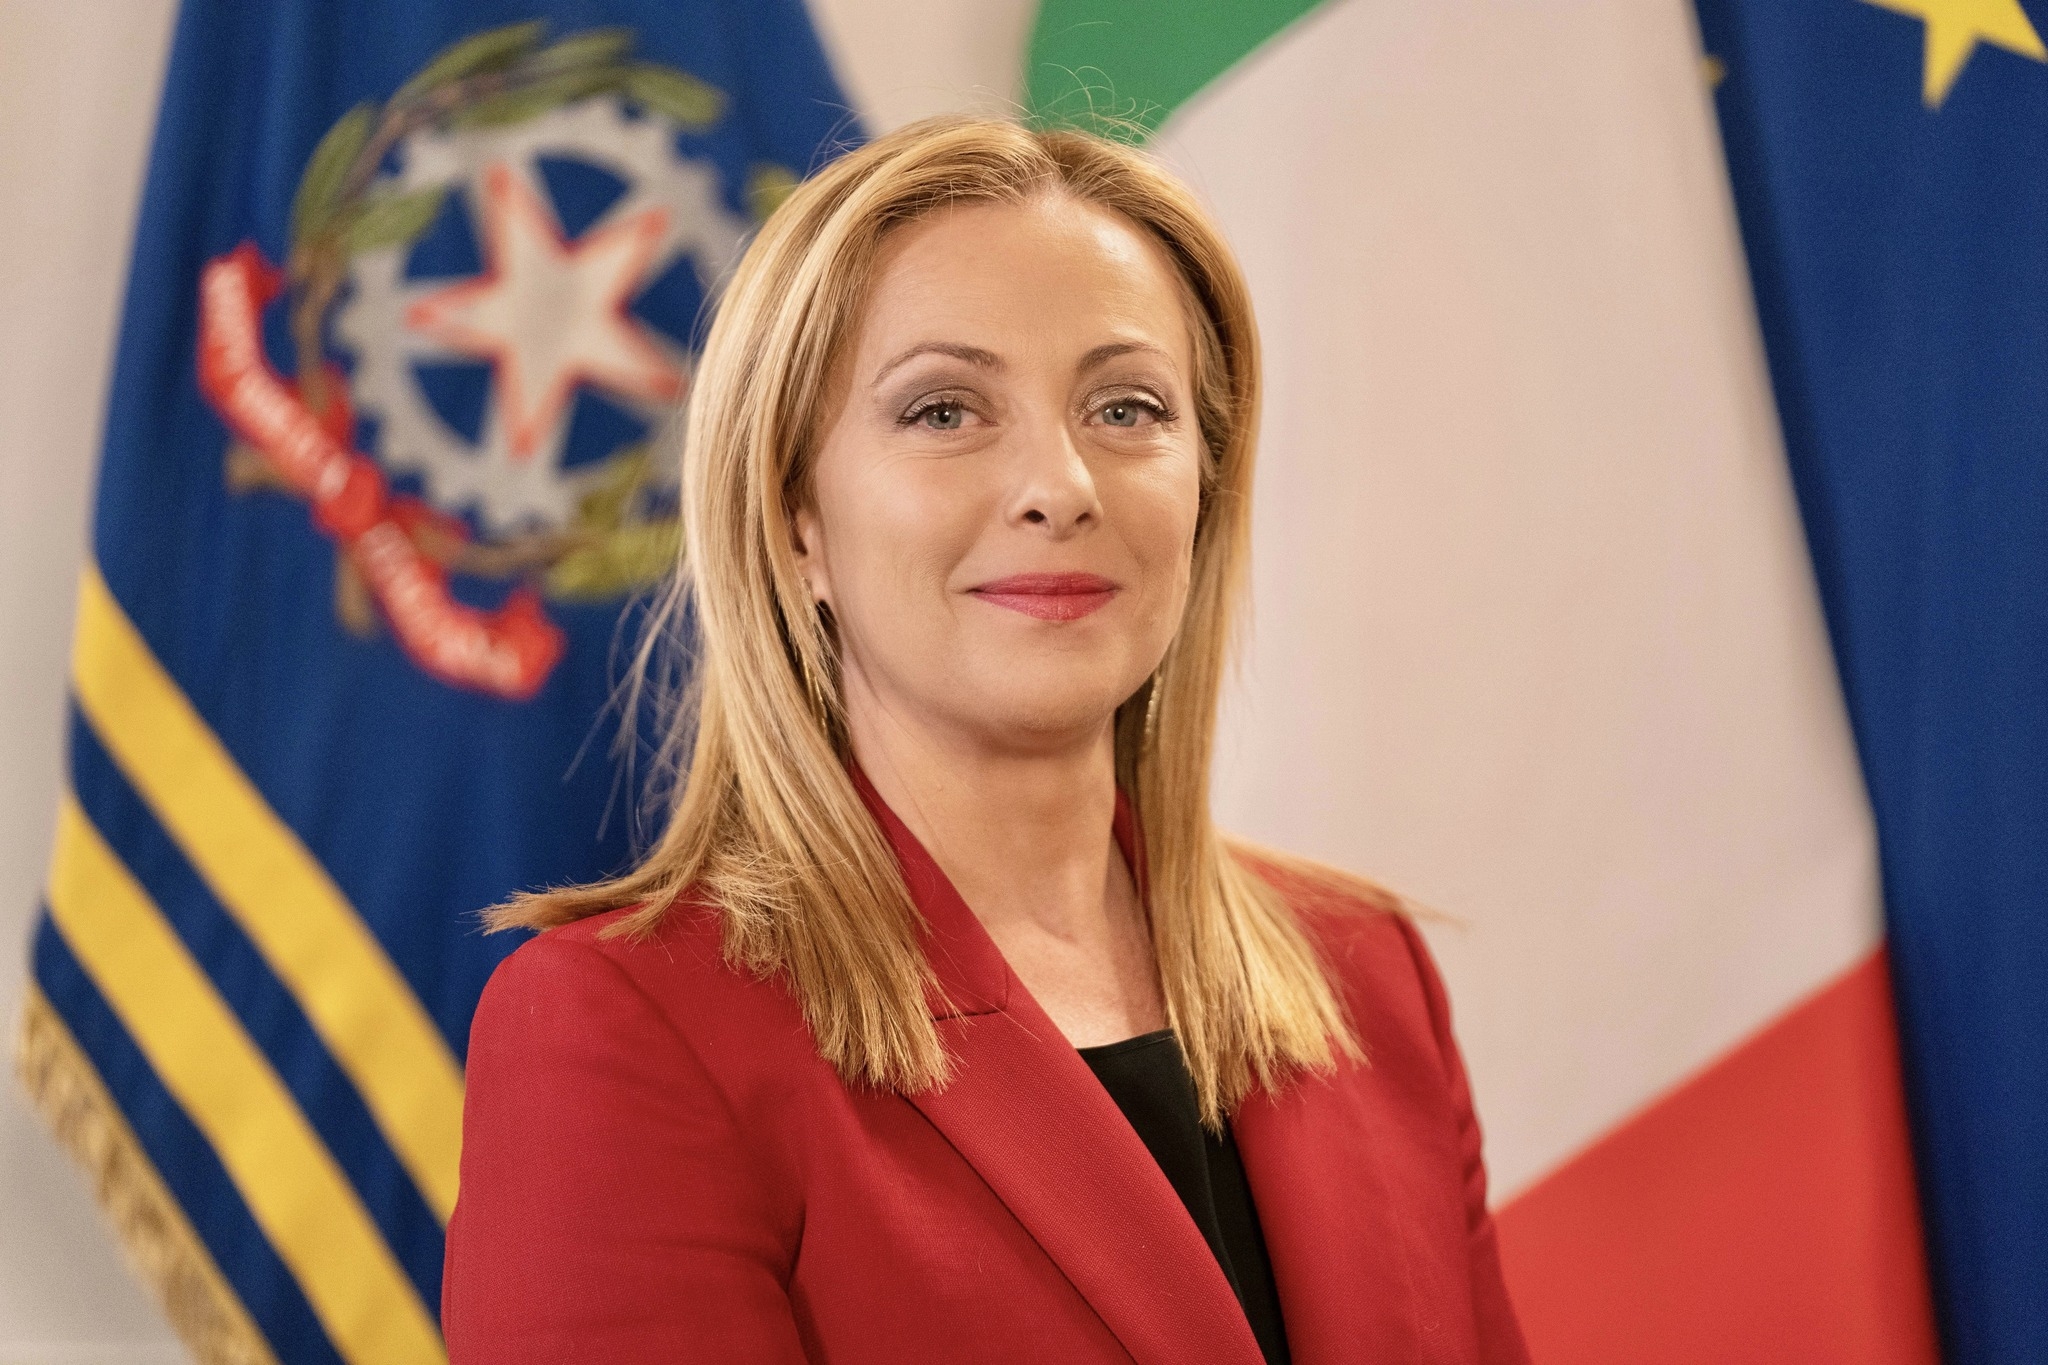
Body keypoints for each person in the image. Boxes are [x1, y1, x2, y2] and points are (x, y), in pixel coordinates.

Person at [442, 114, 1530, 1365]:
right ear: (796, 518)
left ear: (1203, 484)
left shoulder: (1368, 976)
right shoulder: (628, 1031)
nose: (1060, 486)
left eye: (1126, 406)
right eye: (944, 410)